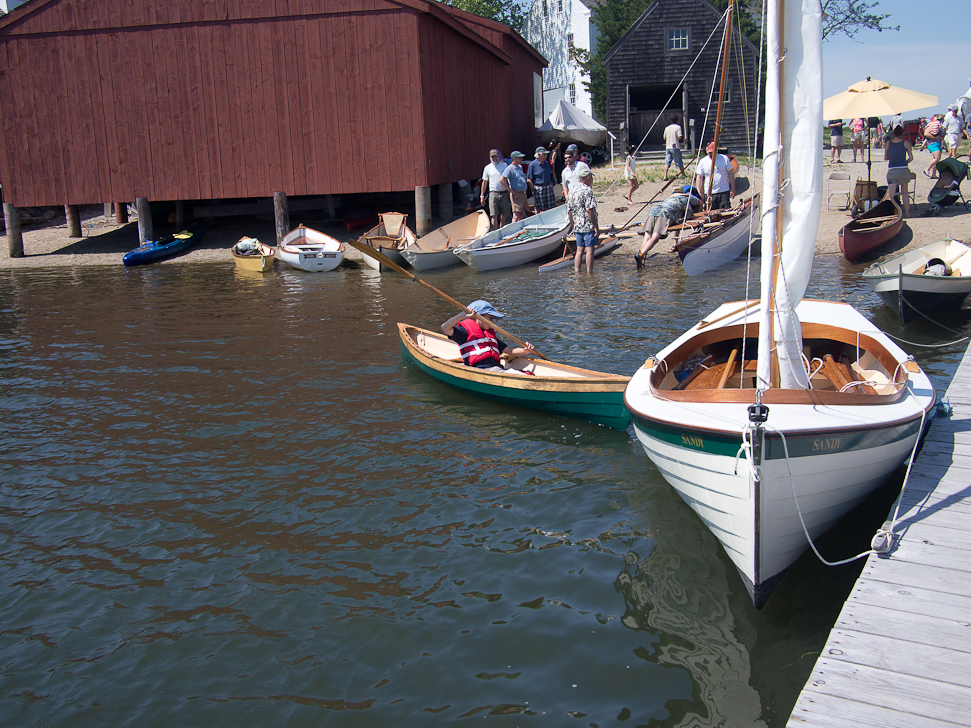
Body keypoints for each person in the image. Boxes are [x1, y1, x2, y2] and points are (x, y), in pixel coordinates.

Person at [441, 300, 534, 373]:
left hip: (497, 370)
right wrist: (462, 315)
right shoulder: (464, 333)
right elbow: (445, 328)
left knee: (522, 373)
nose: (492, 321)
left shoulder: (489, 336)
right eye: (490, 318)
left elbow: (509, 349)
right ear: (479, 316)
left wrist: (525, 350)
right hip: (481, 371)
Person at [633, 185, 702, 268]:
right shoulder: (684, 199)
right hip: (665, 214)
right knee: (655, 237)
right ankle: (640, 254)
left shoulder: (668, 199)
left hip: (653, 211)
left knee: (647, 236)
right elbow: (690, 216)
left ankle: (642, 262)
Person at [566, 169, 599, 273]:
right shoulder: (587, 191)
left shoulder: (572, 190)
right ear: (588, 177)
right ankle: (589, 273)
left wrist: (573, 227)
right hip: (587, 226)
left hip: (577, 225)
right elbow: (589, 210)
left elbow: (569, 212)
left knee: (579, 250)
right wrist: (595, 226)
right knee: (590, 250)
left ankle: (577, 273)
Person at [692, 142, 736, 211]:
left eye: (713, 152)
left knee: (726, 210)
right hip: (710, 193)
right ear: (707, 152)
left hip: (723, 191)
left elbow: (730, 173)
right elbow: (699, 177)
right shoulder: (703, 161)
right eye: (710, 153)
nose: (711, 154)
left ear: (716, 151)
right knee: (710, 212)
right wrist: (699, 191)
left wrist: (733, 188)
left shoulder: (724, 158)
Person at [885, 124, 914, 218]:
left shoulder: (888, 143)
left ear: (893, 133)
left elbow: (886, 157)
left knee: (891, 194)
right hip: (903, 169)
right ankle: (908, 213)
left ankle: (892, 214)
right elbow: (911, 157)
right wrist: (905, 162)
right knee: (904, 192)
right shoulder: (906, 143)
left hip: (892, 169)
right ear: (902, 133)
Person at [480, 149, 510, 229]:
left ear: (498, 156)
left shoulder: (504, 166)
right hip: (493, 193)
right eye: (492, 157)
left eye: (495, 156)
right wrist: (482, 195)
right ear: (490, 157)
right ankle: (495, 232)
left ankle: (502, 230)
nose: (494, 158)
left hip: (504, 192)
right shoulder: (487, 168)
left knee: (504, 214)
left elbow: (508, 179)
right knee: (494, 215)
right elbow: (484, 182)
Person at [501, 151, 530, 222]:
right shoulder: (510, 168)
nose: (521, 159)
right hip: (517, 194)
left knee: (521, 214)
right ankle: (513, 229)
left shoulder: (520, 167)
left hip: (523, 193)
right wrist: (511, 190)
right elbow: (502, 180)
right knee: (516, 214)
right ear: (514, 158)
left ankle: (519, 229)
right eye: (520, 158)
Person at [527, 146, 557, 212]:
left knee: (550, 207)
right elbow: (529, 179)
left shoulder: (546, 163)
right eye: (544, 154)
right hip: (539, 188)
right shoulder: (532, 165)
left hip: (548, 186)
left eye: (546, 154)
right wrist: (533, 190)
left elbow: (550, 174)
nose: (546, 155)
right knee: (539, 208)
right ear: (538, 155)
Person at [662, 114, 686, 179]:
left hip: (668, 146)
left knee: (667, 162)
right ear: (677, 120)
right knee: (679, 162)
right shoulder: (678, 127)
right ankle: (683, 174)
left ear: (670, 120)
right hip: (675, 147)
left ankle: (665, 176)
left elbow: (664, 137)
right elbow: (679, 136)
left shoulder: (667, 128)